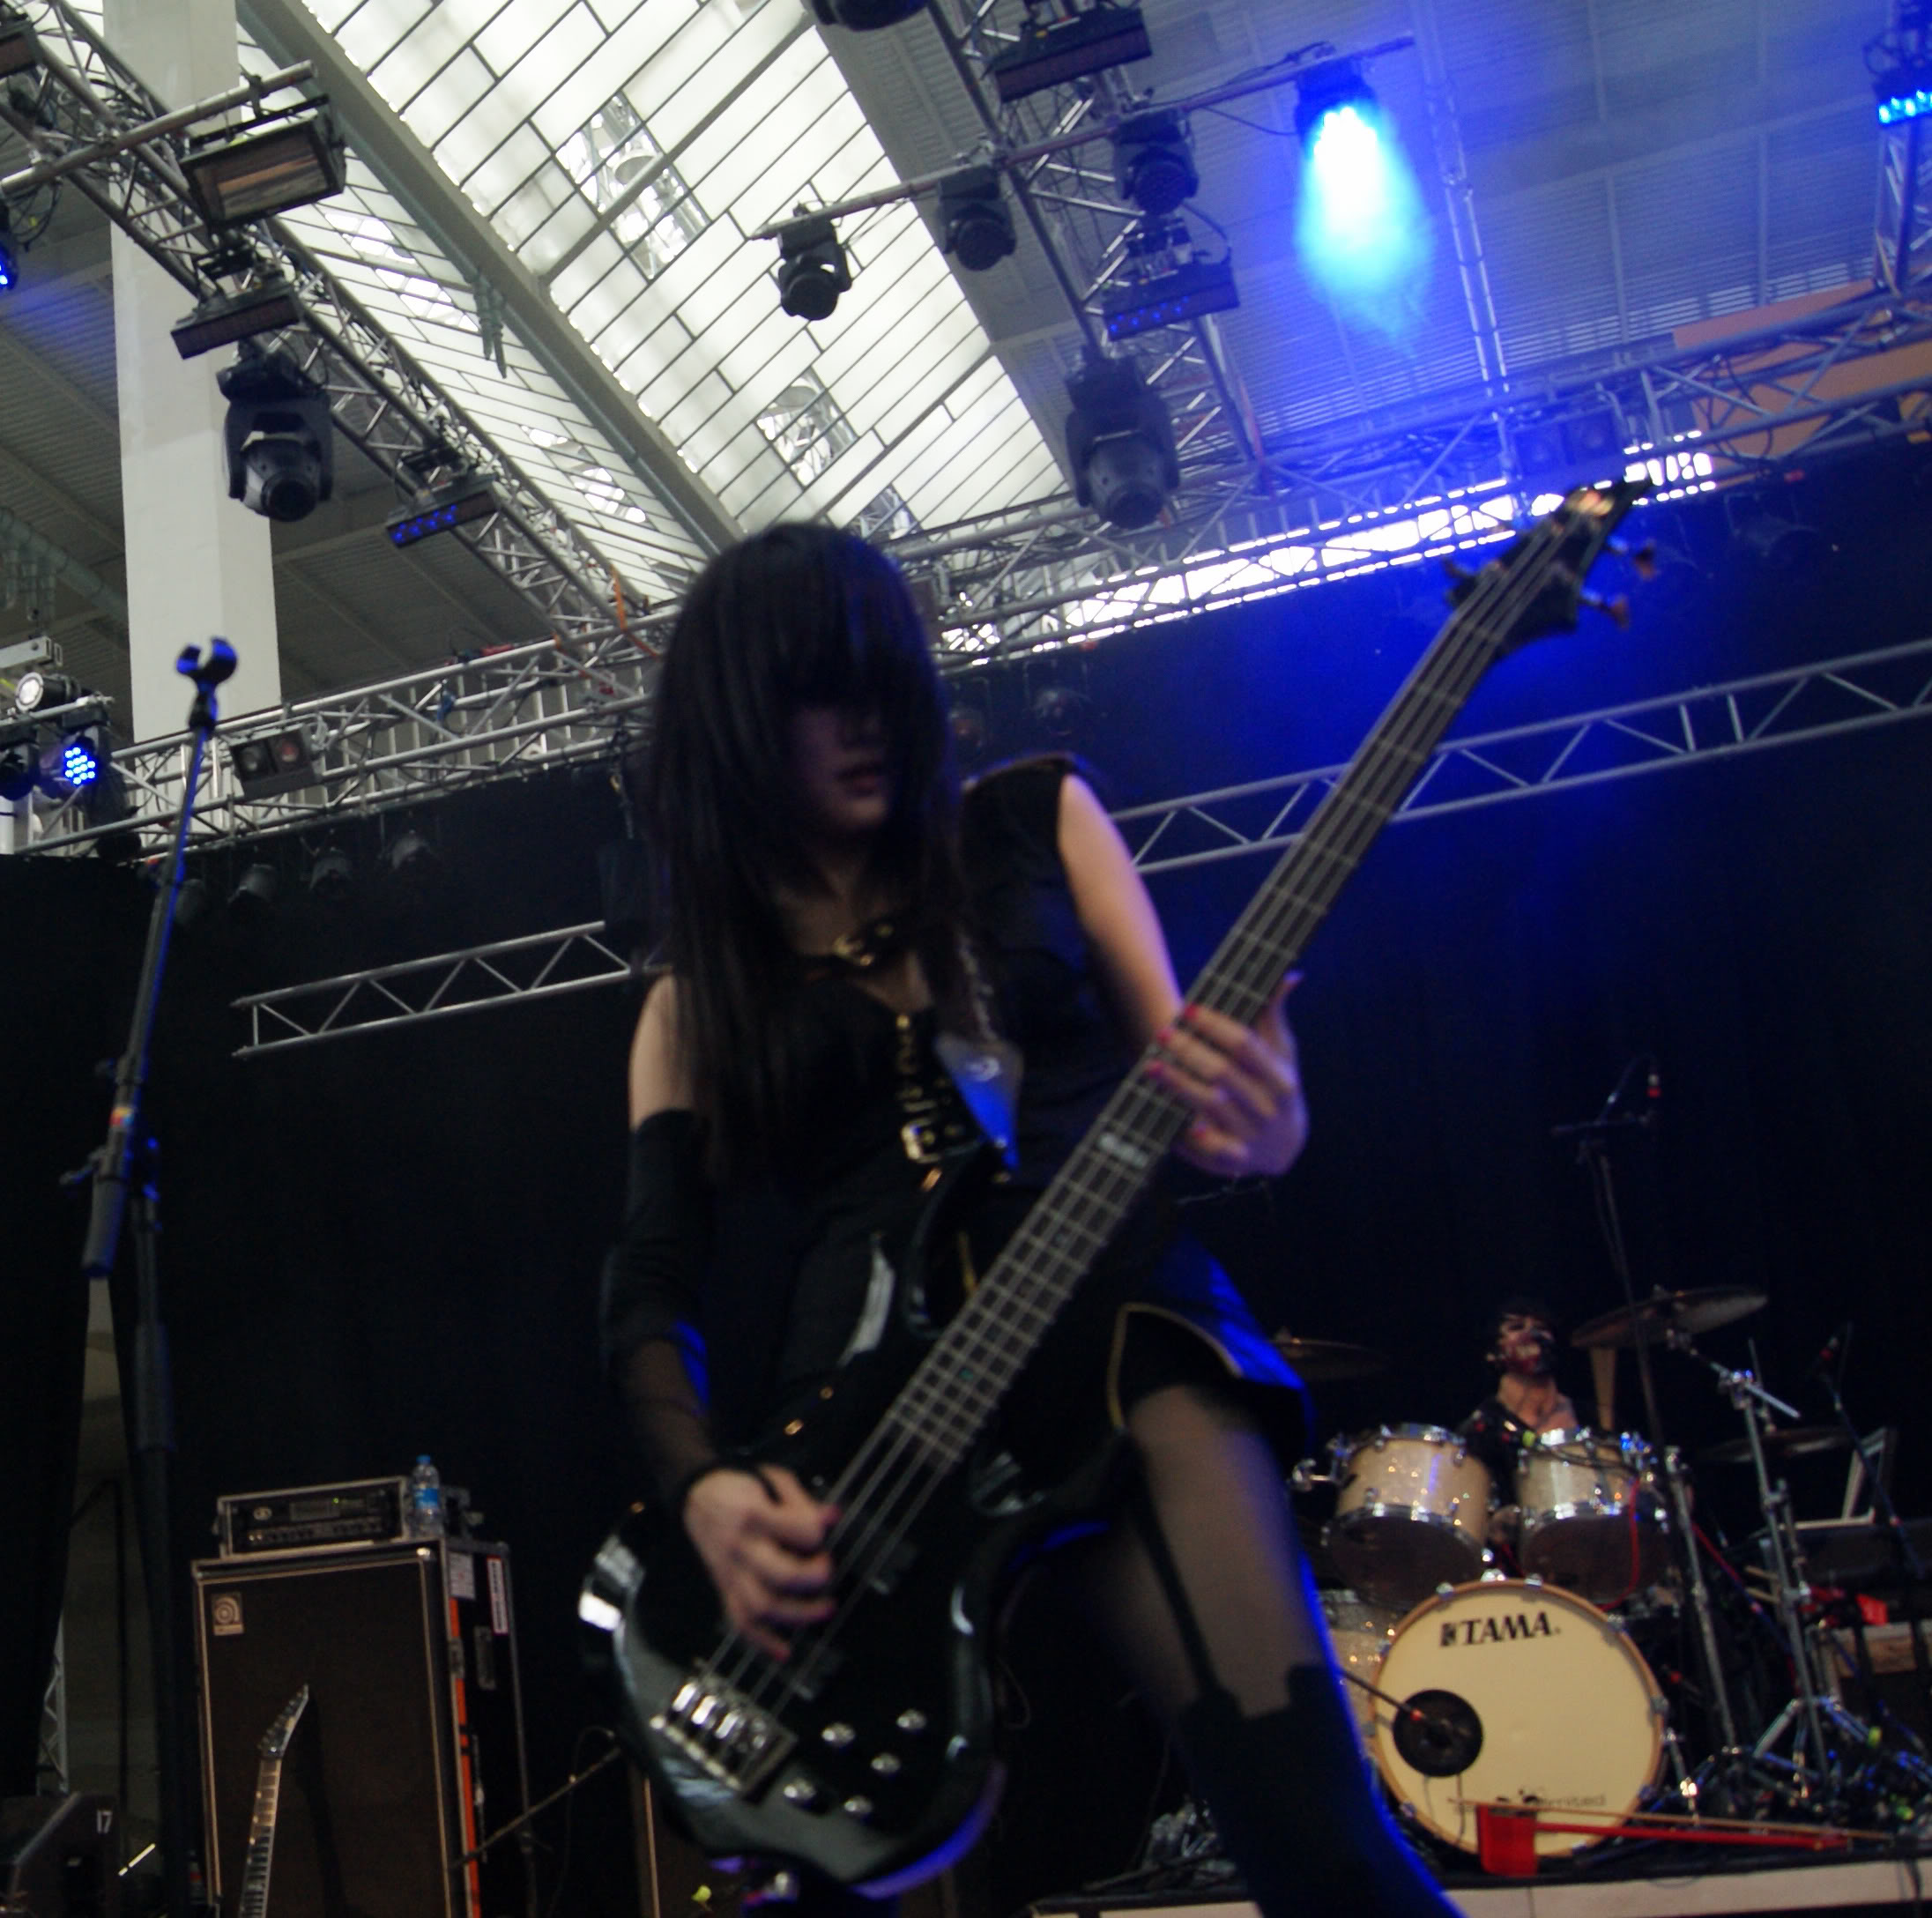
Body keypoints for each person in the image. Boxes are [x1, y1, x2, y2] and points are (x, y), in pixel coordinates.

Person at [598, 525, 1454, 1918]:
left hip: (1120, 1331)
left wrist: (1269, 1122)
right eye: (821, 691)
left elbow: (1200, 1088)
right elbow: (648, 1286)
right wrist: (701, 1485)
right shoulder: (693, 999)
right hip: (870, 1442)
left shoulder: (1037, 820)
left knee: (1319, 1847)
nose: (867, 718)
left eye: (885, 679)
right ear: (742, 720)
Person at [1459, 1296, 1584, 1493]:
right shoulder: (1480, 1432)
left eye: (1541, 1327)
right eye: (1516, 1327)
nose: (1532, 1333)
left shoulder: (1592, 1416)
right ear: (1492, 1353)